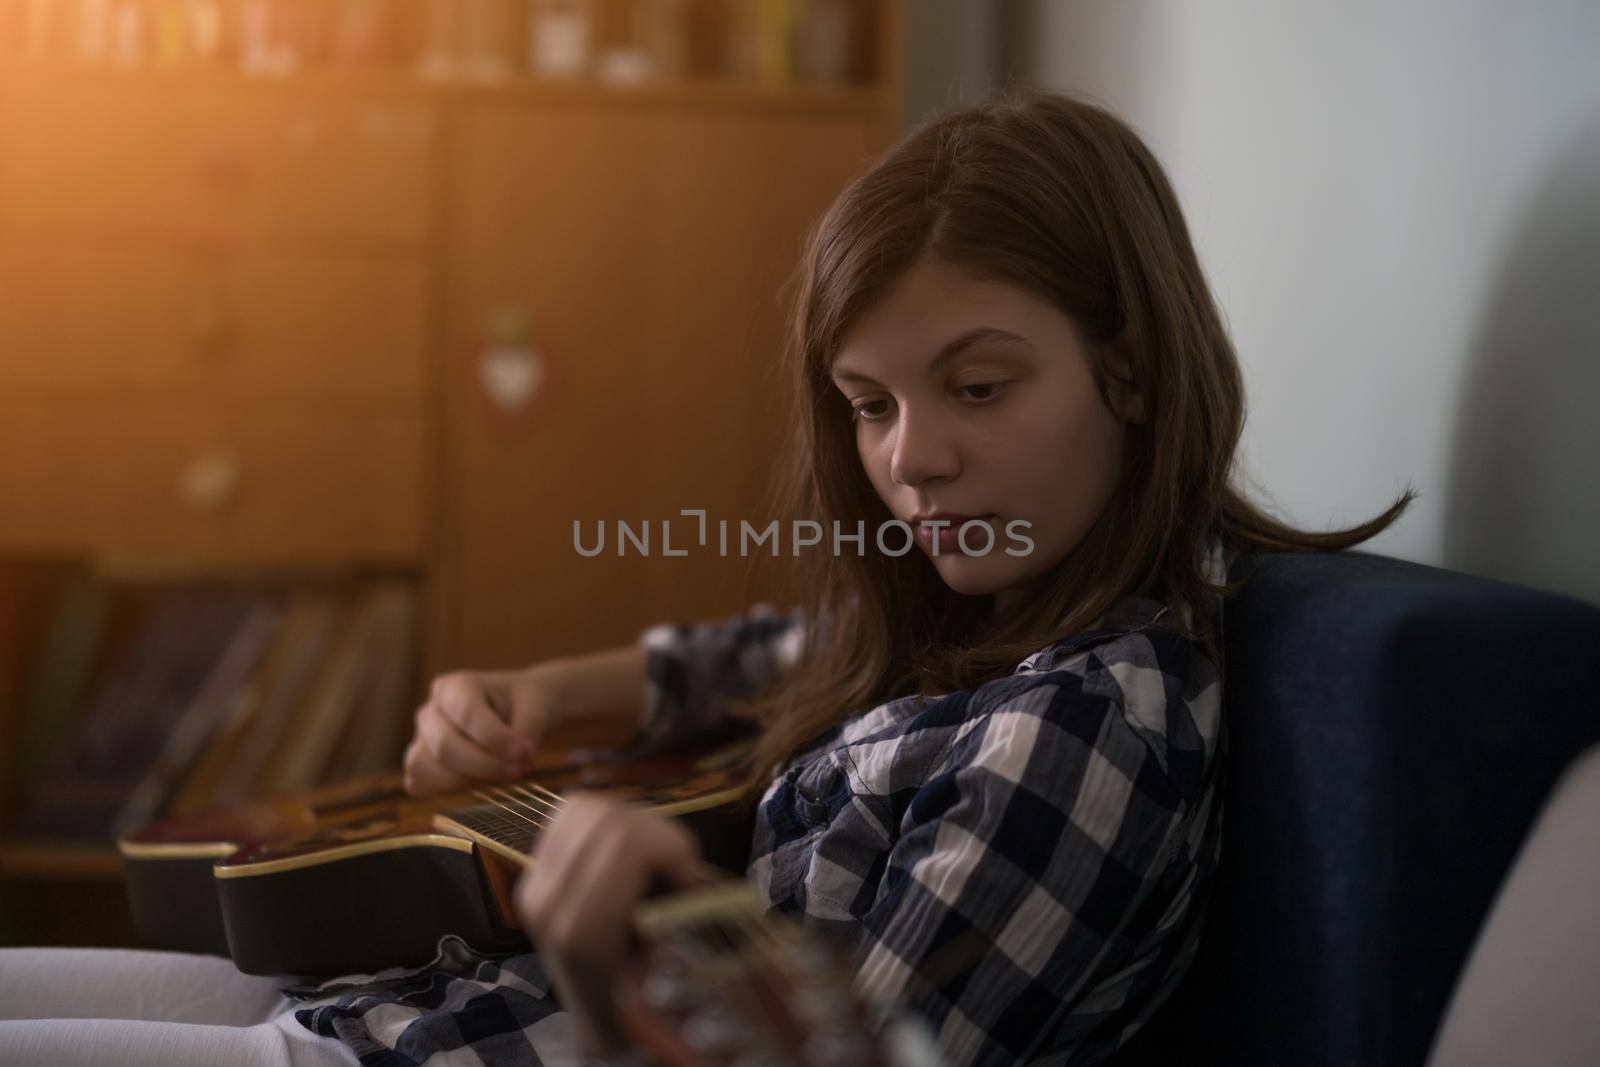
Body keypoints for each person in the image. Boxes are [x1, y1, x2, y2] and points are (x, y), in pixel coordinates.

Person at [0, 89, 1415, 1066]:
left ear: (1133, 370)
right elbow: (765, 654)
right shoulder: (979, 620)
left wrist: (664, 932)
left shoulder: (1089, 726)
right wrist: (535, 690)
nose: (913, 461)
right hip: (412, 1011)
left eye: (977, 385)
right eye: (869, 406)